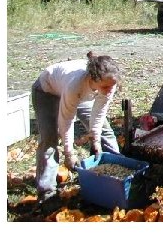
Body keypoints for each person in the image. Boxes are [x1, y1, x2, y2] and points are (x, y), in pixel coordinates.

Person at [32, 51, 121, 204]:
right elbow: (66, 121)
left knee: (105, 131)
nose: (109, 90)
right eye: (106, 86)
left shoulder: (108, 83)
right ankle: (47, 193)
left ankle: (117, 172)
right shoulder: (75, 85)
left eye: (112, 86)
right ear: (94, 79)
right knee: (49, 139)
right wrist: (69, 154)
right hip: (47, 91)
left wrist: (96, 141)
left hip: (83, 92)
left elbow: (98, 113)